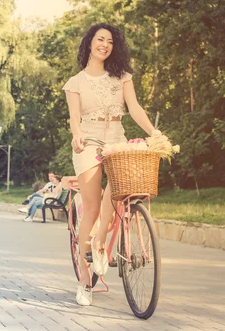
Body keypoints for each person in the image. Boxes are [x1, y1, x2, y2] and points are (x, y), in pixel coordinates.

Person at [63, 23, 158, 306]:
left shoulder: (122, 77)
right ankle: (84, 280)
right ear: (89, 44)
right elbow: (74, 119)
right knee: (91, 206)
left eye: (110, 41)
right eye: (100, 39)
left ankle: (101, 242)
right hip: (89, 140)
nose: (105, 44)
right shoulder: (75, 82)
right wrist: (77, 136)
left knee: (119, 191)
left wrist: (155, 134)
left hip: (117, 138)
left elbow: (135, 108)